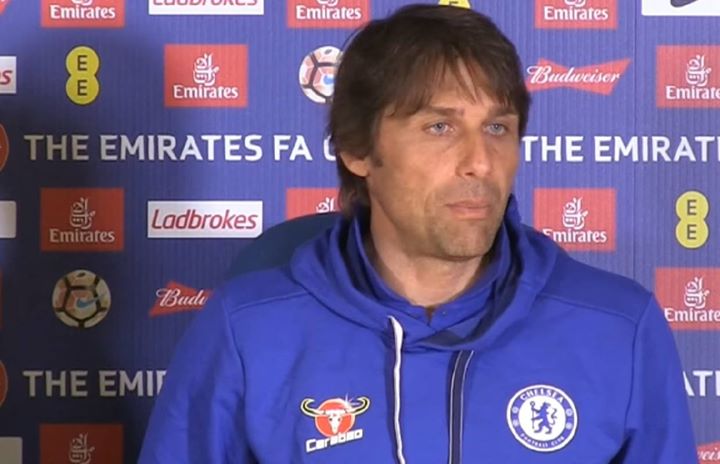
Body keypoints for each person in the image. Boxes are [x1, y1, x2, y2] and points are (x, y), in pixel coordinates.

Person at [139, 4, 698, 463]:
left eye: (497, 127)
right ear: (358, 150)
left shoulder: (619, 327)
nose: (480, 162)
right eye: (439, 126)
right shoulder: (247, 328)